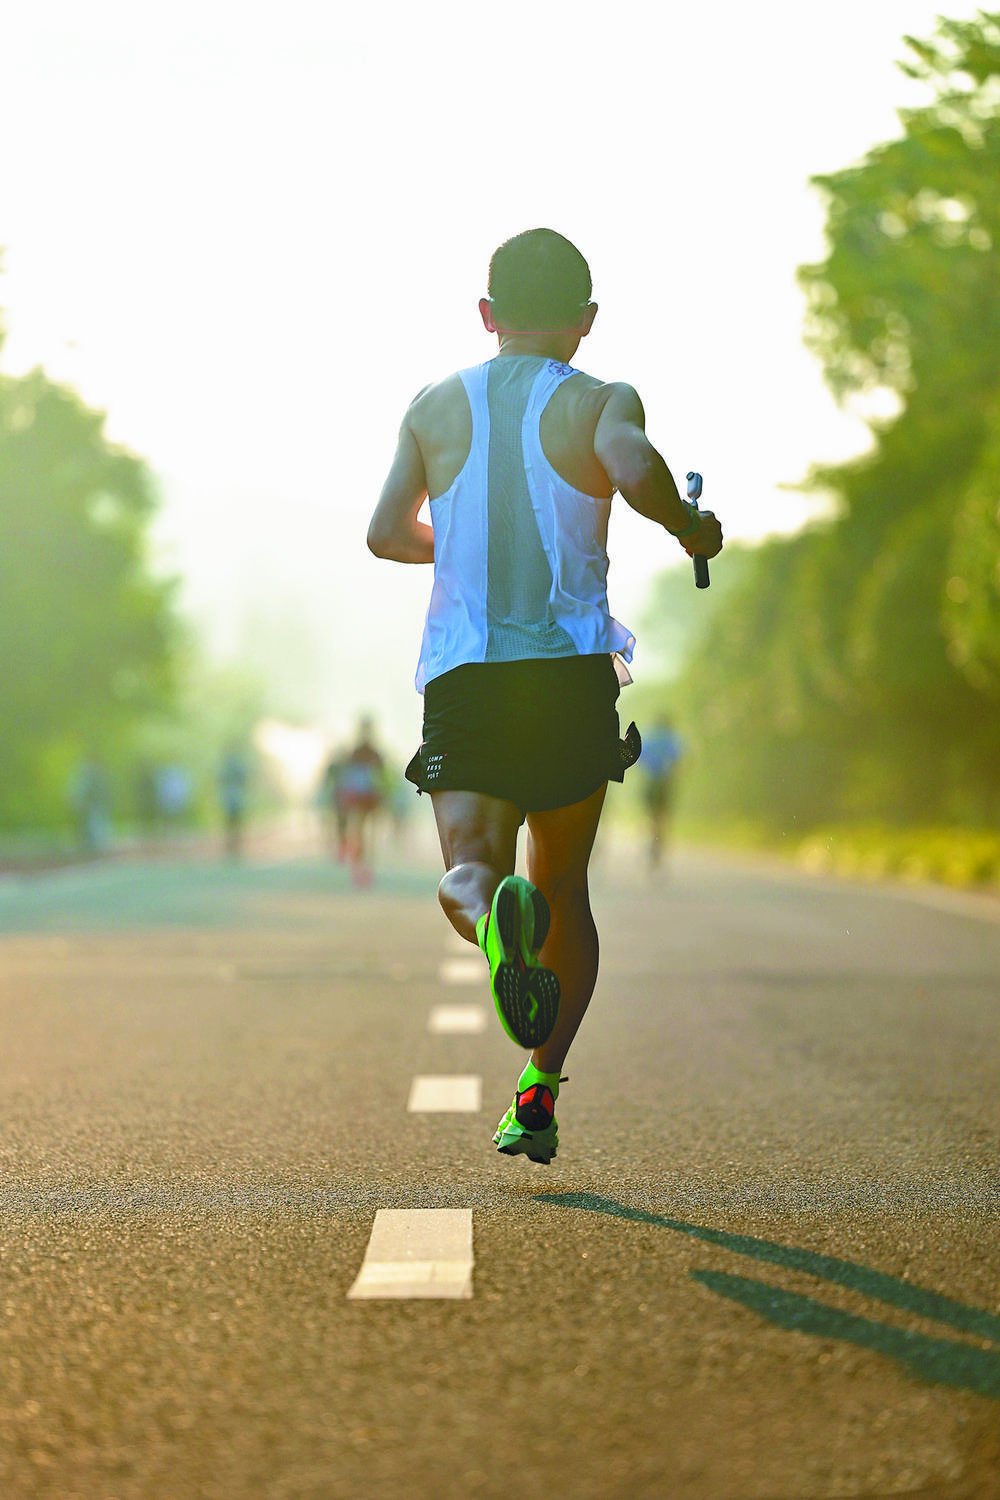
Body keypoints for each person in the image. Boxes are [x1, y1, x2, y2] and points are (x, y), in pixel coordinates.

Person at [368, 228, 722, 1163]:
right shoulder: (601, 398)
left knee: (471, 865)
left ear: (486, 317)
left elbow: (383, 533)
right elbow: (638, 469)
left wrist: (466, 544)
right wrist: (691, 528)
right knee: (563, 885)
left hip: (468, 678)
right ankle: (539, 1086)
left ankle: (490, 922)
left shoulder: (433, 405)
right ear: (586, 322)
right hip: (568, 678)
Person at [339, 717, 386, 886]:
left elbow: (383, 780)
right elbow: (348, 779)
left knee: (369, 836)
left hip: (370, 802)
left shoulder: (374, 753)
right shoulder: (357, 753)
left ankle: (365, 870)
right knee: (359, 836)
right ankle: (359, 869)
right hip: (359, 801)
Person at [639, 714, 684, 872]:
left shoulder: (650, 737)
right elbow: (679, 758)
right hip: (665, 783)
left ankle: (653, 837)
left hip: (651, 782)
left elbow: (640, 757)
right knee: (663, 814)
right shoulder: (671, 738)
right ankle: (659, 839)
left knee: (652, 814)